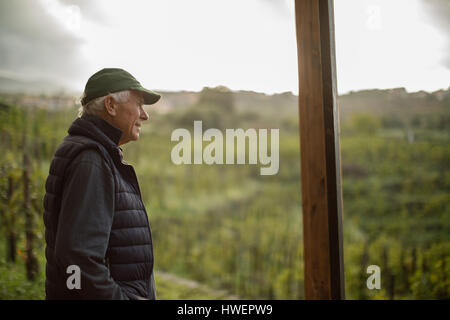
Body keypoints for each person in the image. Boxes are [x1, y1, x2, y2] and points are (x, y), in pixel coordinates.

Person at [43, 68, 161, 299]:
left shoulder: (95, 153)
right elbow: (77, 261)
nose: (144, 115)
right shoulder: (91, 160)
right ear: (111, 105)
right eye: (139, 104)